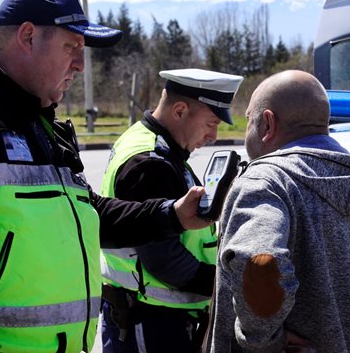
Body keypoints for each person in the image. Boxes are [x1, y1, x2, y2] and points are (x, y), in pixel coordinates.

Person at [0, 0, 211, 353]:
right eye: (71, 47)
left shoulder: (42, 122)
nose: (79, 64)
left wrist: (170, 215)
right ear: (27, 36)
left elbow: (88, 212)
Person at [205, 70, 350, 352]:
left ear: (267, 123)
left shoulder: (266, 182)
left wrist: (263, 340)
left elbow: (259, 262)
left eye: (249, 120)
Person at [100, 68, 244, 353]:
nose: (214, 135)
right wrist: (223, 283)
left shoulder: (154, 144)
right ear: (179, 110)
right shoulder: (150, 163)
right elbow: (164, 260)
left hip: (151, 317)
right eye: (211, 123)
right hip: (153, 323)